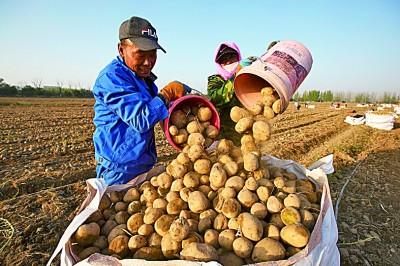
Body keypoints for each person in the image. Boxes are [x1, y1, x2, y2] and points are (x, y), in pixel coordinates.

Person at [92, 16, 190, 185]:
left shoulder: (144, 80)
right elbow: (141, 119)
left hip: (143, 163)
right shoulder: (111, 78)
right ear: (121, 50)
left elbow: (155, 114)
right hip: (118, 169)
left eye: (153, 55)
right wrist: (166, 94)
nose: (148, 62)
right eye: (141, 54)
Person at [207, 42, 256, 144]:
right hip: (223, 137)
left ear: (238, 57)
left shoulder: (248, 77)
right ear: (219, 63)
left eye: (231, 56)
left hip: (247, 134)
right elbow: (216, 98)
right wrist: (236, 75)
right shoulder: (215, 80)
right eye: (223, 60)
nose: (228, 61)